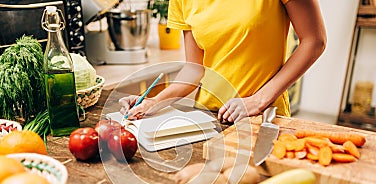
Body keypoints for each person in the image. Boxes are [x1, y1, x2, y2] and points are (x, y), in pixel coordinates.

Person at [119, 0, 326, 123]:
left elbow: (314, 41)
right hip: (207, 118)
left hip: (262, 117)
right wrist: (154, 101)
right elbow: (194, 69)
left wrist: (258, 100)